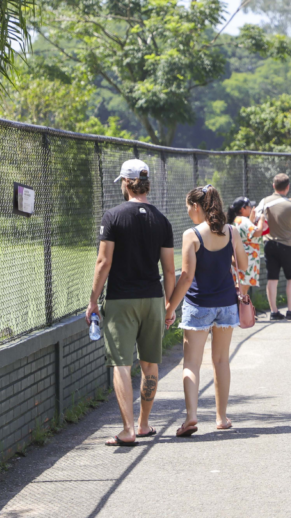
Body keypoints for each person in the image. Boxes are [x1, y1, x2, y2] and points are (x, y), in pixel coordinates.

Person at [86, 159, 175, 447]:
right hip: (153, 300)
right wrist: (169, 305)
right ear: (146, 184)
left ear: (126, 183)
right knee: (150, 365)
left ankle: (127, 430)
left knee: (122, 365)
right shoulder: (162, 220)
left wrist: (92, 301)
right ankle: (144, 424)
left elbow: (104, 262)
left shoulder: (113, 216)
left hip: (121, 300)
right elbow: (170, 271)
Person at [165, 185, 249, 437]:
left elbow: (187, 277)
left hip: (198, 305)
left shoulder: (191, 235)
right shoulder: (231, 231)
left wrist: (170, 308)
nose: (188, 212)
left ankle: (191, 417)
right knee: (221, 360)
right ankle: (222, 418)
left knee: (191, 362)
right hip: (226, 305)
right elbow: (243, 265)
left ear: (196, 206)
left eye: (188, 207)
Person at [256, 173, 291, 321]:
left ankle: (274, 312)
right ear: (288, 187)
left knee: (272, 279)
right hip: (287, 245)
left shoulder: (264, 201)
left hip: (269, 245)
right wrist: (288, 228)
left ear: (273, 186)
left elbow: (257, 219)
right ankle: (290, 311)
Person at [227, 196, 264, 298]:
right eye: (249, 206)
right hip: (248, 258)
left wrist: (251, 219)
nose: (251, 208)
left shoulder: (236, 220)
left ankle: (241, 311)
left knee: (240, 288)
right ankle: (240, 312)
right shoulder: (243, 220)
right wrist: (261, 220)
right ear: (242, 209)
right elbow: (256, 232)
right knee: (242, 290)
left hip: (240, 256)